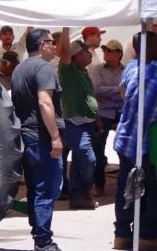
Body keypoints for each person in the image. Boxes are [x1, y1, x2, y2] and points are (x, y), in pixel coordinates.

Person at [11, 28, 64, 251]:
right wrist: (55, 137)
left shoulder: (19, 69)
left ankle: (39, 235)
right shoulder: (43, 68)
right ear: (42, 44)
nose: (55, 46)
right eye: (52, 42)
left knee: (35, 188)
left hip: (26, 136)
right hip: (41, 137)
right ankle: (43, 242)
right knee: (46, 189)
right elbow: (44, 102)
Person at [112, 31, 157, 251]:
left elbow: (122, 91)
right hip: (145, 143)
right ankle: (147, 237)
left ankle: (122, 235)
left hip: (125, 138)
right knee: (149, 189)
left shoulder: (131, 68)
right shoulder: (154, 73)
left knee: (125, 187)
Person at [58, 27, 99, 210]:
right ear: (76, 56)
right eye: (86, 52)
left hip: (86, 123)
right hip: (73, 123)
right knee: (88, 159)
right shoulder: (68, 70)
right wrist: (66, 28)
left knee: (78, 160)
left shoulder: (83, 72)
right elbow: (65, 50)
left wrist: (96, 119)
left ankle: (76, 197)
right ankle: (86, 192)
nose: (90, 55)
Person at [88, 38, 124, 196]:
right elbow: (96, 89)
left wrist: (107, 92)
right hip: (104, 112)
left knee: (125, 148)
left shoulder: (127, 69)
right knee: (97, 147)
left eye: (109, 51)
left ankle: (125, 183)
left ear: (118, 54)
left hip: (122, 110)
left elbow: (128, 90)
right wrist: (118, 90)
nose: (105, 53)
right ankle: (99, 184)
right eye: (105, 50)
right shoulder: (97, 69)